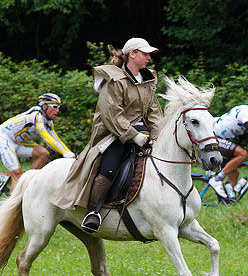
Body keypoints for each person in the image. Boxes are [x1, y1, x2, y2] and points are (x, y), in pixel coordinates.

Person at [49, 37, 163, 233]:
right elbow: (111, 114)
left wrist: (156, 134)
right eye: (144, 54)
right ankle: (93, 212)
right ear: (132, 54)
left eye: (149, 54)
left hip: (142, 133)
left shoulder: (147, 80)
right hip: (114, 134)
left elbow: (154, 111)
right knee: (110, 168)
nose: (148, 58)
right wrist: (133, 135)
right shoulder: (113, 80)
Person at [0, 93, 75, 191]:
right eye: (55, 107)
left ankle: (27, 183)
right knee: (18, 176)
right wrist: (66, 153)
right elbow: (47, 138)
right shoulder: (36, 116)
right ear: (44, 106)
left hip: (17, 143)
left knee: (44, 153)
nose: (57, 111)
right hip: (3, 140)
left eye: (58, 108)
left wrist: (69, 153)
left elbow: (56, 140)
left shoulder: (48, 122)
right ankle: (13, 204)